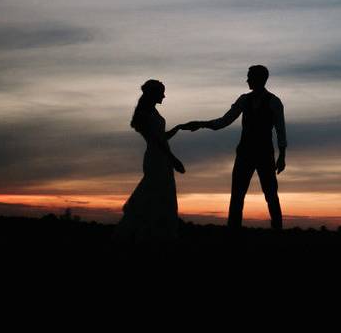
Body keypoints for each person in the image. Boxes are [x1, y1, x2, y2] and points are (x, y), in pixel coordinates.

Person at [181, 65, 286, 230]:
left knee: (271, 195)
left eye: (249, 77)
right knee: (237, 197)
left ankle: (278, 233)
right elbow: (224, 121)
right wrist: (201, 124)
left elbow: (281, 129)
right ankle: (233, 235)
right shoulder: (244, 100)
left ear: (259, 79)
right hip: (244, 153)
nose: (247, 80)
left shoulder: (274, 102)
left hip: (265, 154)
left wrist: (282, 155)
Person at [119, 79, 185, 241]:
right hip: (157, 158)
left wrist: (177, 129)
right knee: (154, 194)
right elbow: (155, 141)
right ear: (154, 94)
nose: (164, 95)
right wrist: (173, 159)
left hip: (162, 157)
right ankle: (143, 235)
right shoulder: (144, 114)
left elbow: (161, 138)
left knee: (161, 196)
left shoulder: (152, 112)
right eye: (162, 92)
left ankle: (152, 235)